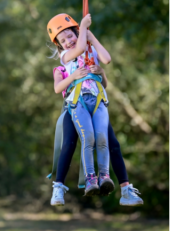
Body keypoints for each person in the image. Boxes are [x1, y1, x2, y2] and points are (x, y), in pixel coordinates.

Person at [46, 13, 134, 199]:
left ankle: (119, 185)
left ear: (77, 33)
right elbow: (58, 87)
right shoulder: (66, 57)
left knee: (108, 141)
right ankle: (61, 187)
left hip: (96, 100)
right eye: (63, 40)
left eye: (71, 35)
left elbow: (106, 62)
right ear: (59, 46)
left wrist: (99, 67)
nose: (68, 41)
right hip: (76, 103)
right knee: (71, 143)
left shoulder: (89, 51)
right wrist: (83, 28)